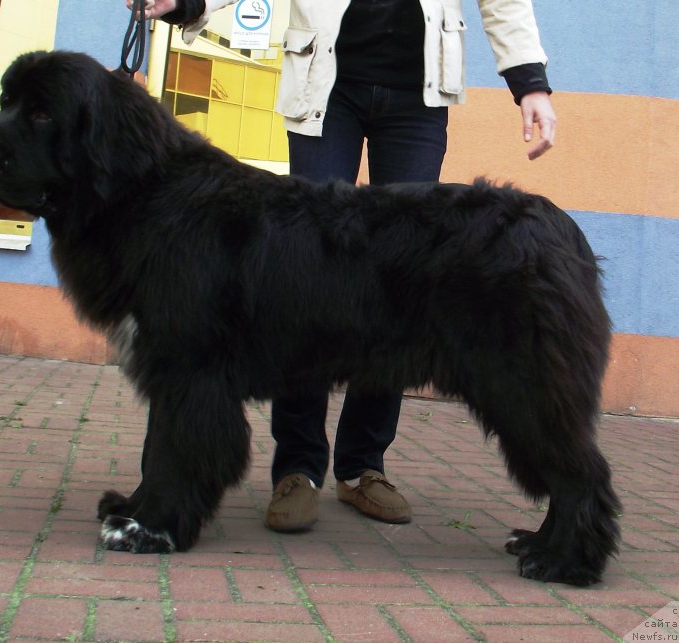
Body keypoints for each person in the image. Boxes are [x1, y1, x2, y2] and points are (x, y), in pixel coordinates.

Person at [125, 0, 557, 532]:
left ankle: (362, 466)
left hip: (418, 93)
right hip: (325, 81)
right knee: (299, 281)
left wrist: (529, 83)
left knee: (398, 288)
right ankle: (298, 468)